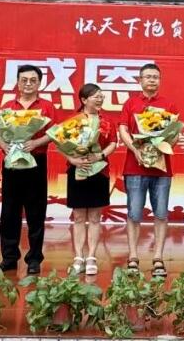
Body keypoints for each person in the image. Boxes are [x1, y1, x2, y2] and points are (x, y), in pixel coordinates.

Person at [0, 65, 58, 275]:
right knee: (9, 211)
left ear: (39, 83)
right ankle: (9, 257)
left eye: (33, 80)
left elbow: (54, 132)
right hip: (11, 162)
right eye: (24, 80)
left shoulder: (46, 106)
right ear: (18, 82)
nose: (28, 84)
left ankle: (34, 258)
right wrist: (4, 146)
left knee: (36, 212)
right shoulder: (8, 106)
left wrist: (36, 142)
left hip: (36, 161)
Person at [117, 63, 178, 277]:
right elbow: (123, 129)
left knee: (161, 213)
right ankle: (133, 257)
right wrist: (135, 149)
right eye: (148, 77)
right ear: (140, 80)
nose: (152, 80)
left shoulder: (168, 104)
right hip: (135, 167)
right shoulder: (131, 103)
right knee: (134, 213)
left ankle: (158, 257)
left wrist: (164, 143)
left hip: (161, 170)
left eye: (155, 77)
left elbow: (175, 134)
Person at [63, 83, 116, 276]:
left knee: (94, 217)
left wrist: (100, 155)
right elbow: (62, 143)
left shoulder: (106, 121)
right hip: (77, 170)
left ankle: (92, 256)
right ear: (84, 100)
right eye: (96, 96)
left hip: (99, 171)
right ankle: (78, 257)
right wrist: (72, 159)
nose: (100, 99)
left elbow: (113, 143)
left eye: (101, 96)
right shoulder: (73, 121)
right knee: (78, 216)